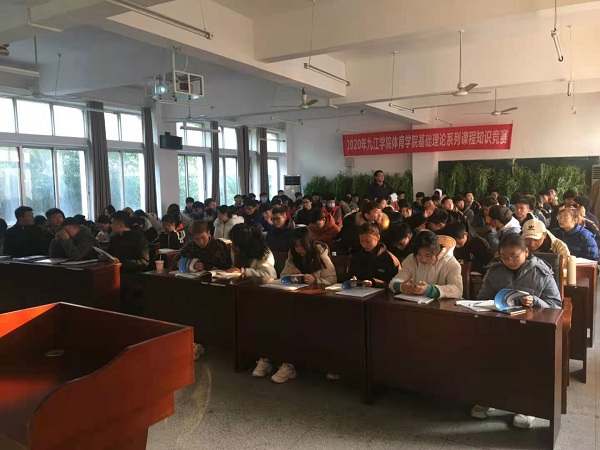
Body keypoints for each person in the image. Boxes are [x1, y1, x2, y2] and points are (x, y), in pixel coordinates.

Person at [470, 233, 562, 429]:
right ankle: (488, 397)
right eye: (504, 256)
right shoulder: (495, 270)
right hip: (500, 324)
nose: (509, 261)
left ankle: (526, 406)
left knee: (525, 358)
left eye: (514, 256)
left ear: (526, 253)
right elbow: (482, 298)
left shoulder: (541, 272)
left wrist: (535, 301)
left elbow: (556, 305)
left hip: (531, 329)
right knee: (484, 352)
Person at [257, 228, 337, 383]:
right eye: (296, 246)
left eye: (301, 246)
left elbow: (332, 281)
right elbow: (282, 276)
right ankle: (274, 359)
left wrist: (315, 280)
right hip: (295, 298)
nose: (299, 249)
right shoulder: (293, 255)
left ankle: (291, 363)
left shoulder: (320, 255)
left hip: (317, 301)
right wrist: (291, 275)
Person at [389, 230, 463, 299]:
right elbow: (396, 280)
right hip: (414, 303)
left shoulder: (451, 263)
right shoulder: (412, 259)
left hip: (440, 306)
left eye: (428, 255)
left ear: (437, 251)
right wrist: (401, 286)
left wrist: (429, 289)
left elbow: (457, 290)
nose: (423, 259)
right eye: (419, 255)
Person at [347, 222, 400, 288]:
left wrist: (374, 283)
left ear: (378, 237)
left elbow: (396, 284)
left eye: (368, 241)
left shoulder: (389, 259)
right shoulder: (356, 258)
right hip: (359, 292)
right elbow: (351, 276)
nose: (364, 244)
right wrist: (352, 280)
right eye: (361, 241)